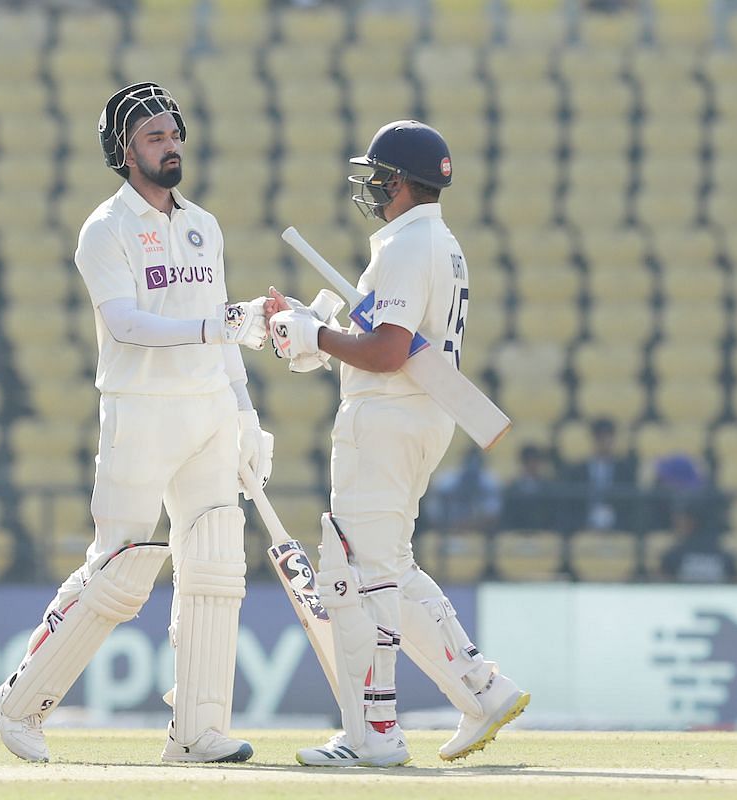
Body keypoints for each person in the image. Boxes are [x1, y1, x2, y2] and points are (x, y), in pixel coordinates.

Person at [0, 82, 273, 765]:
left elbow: (226, 335)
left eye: (174, 134)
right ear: (124, 150)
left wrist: (246, 414)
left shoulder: (205, 223)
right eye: (154, 137)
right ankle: (20, 702)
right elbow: (126, 323)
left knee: (215, 566)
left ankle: (197, 733)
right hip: (140, 414)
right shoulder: (105, 228)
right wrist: (215, 324)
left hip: (208, 411)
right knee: (118, 570)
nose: (171, 146)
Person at [266, 120, 529, 767]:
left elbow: (386, 351)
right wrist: (320, 327)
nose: (372, 188)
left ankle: (373, 734)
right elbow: (389, 337)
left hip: (385, 419)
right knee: (389, 568)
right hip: (420, 416)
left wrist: (313, 338)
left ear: (399, 182)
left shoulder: (409, 243)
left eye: (377, 177)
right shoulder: (437, 241)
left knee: (354, 579)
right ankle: (482, 688)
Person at [559, 417, 638, 533]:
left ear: (613, 439)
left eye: (608, 436)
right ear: (593, 439)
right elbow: (571, 507)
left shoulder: (626, 470)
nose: (604, 441)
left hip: (618, 528)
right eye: (600, 437)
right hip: (583, 527)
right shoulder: (576, 471)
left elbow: (630, 506)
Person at [658, 494, 737, 584]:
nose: (677, 523)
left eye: (683, 519)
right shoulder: (725, 557)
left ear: (694, 521)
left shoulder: (673, 556)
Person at [499, 443, 558, 531]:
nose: (532, 465)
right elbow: (507, 517)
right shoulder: (512, 489)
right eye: (528, 461)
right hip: (517, 532)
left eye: (535, 461)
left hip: (543, 532)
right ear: (523, 463)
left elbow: (552, 516)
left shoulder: (549, 487)